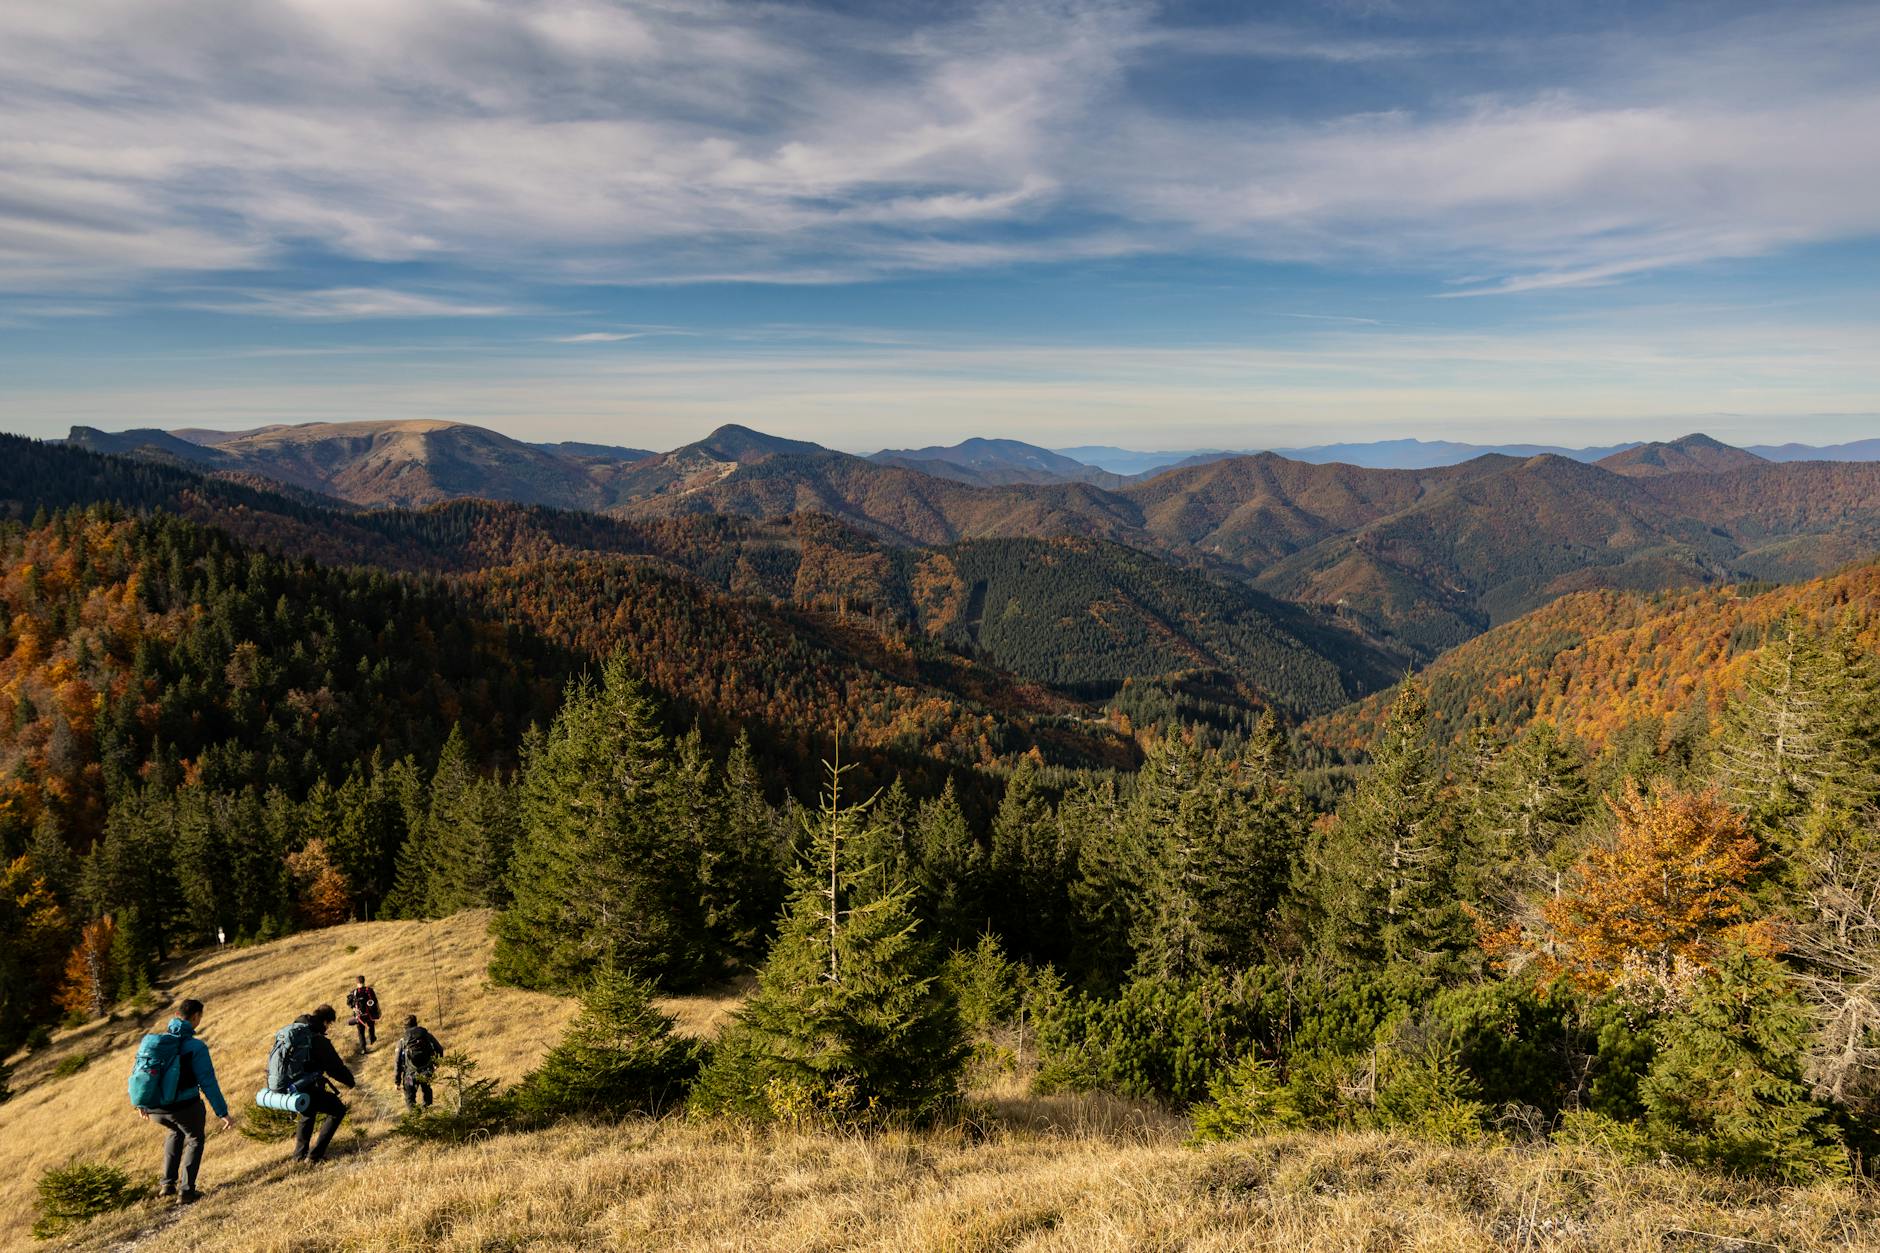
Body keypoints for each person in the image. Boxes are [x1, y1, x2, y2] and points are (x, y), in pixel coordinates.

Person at [132, 998, 235, 1205]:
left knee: (175, 1131)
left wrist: (141, 1103)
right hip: (184, 1106)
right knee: (195, 1139)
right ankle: (186, 1192)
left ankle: (167, 1186)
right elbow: (208, 1082)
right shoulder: (195, 1047)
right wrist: (222, 1112)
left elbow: (139, 1073)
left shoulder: (156, 1043)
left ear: (177, 1015)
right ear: (195, 1017)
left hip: (155, 1110)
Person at [291, 1004, 356, 1165]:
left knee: (308, 1112)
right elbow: (334, 1067)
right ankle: (314, 1157)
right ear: (326, 1021)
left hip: (293, 1084)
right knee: (337, 1109)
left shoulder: (295, 1031)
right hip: (309, 1084)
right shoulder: (316, 1038)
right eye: (329, 1024)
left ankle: (299, 1157)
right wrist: (350, 1081)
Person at [393, 1014, 445, 1109]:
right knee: (427, 1090)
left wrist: (397, 1081)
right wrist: (437, 1063)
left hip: (410, 1074)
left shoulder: (402, 1041)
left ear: (405, 1027)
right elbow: (440, 1049)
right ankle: (427, 1111)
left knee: (409, 1096)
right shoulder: (426, 1035)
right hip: (427, 1070)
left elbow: (397, 1061)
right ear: (416, 1023)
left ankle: (415, 1117)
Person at [345, 975, 381, 1052]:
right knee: (371, 1026)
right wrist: (379, 1011)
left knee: (361, 1032)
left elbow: (348, 1003)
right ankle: (372, 1039)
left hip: (359, 1016)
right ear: (364, 981)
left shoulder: (353, 992)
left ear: (357, 983)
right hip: (370, 1014)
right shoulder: (369, 990)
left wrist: (353, 1008)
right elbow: (375, 1001)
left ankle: (363, 1048)